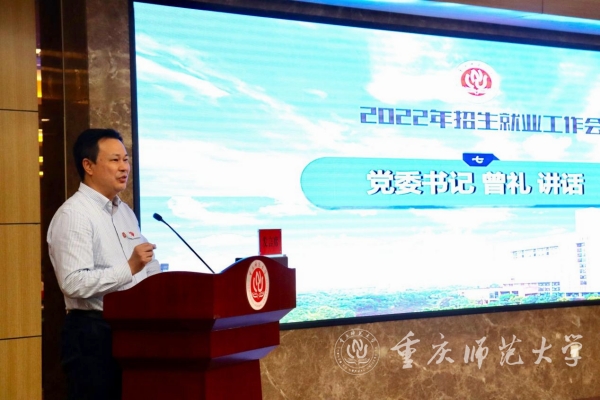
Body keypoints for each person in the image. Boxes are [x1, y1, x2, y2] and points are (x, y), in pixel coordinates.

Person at [47, 128, 160, 400]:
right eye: (115, 160)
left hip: (131, 330)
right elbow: (73, 282)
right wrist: (128, 268)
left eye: (126, 159)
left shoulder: (124, 211)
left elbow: (146, 266)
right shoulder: (74, 215)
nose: (124, 167)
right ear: (88, 166)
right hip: (92, 335)